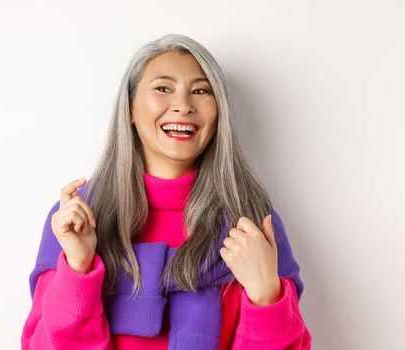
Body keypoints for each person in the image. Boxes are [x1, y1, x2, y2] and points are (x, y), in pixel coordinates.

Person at [21, 34, 312, 350]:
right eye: (163, 88)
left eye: (201, 91)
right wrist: (78, 267)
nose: (183, 106)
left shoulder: (252, 224)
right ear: (130, 109)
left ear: (219, 114)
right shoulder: (80, 218)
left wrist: (266, 295)